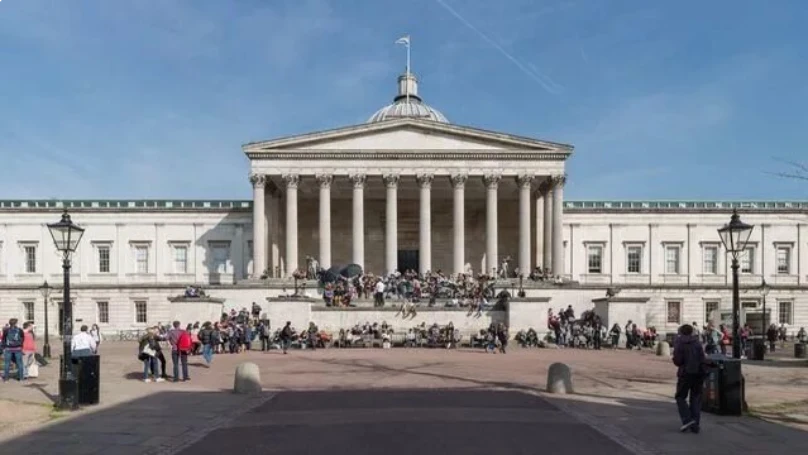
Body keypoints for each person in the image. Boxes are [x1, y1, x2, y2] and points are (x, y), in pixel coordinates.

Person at [672, 324, 710, 434]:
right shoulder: (697, 342)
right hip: (698, 374)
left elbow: (678, 361)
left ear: (681, 332)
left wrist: (675, 359)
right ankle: (695, 424)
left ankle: (687, 419)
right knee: (696, 398)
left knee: (680, 397)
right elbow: (702, 358)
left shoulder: (679, 343)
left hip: (685, 374)